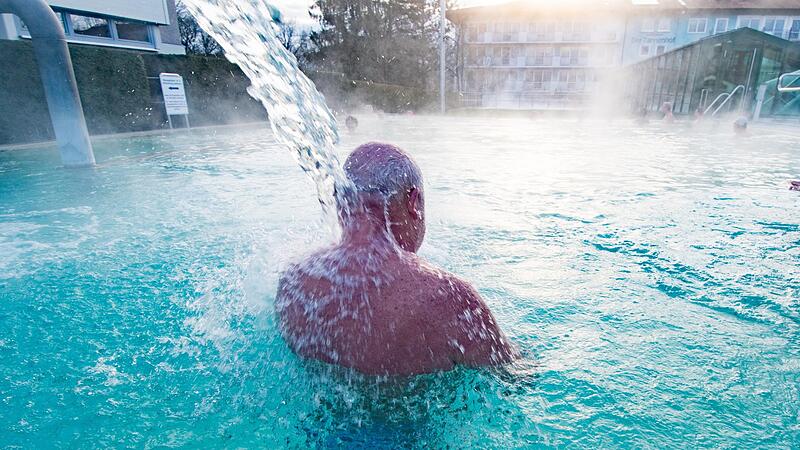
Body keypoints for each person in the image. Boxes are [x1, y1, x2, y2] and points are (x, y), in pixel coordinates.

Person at [276, 143, 518, 376]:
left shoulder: (293, 283)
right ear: (414, 202)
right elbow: (514, 378)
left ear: (343, 202)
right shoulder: (450, 299)